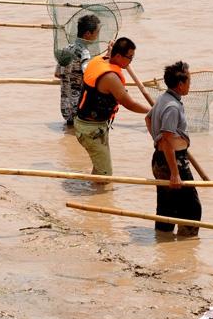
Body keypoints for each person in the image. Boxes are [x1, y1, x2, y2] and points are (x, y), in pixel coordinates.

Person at [73, 37, 150, 179]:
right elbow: (129, 104)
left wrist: (110, 50)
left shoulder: (99, 60)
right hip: (90, 130)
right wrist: (152, 111)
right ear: (118, 56)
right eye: (129, 58)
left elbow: (109, 55)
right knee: (105, 174)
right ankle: (96, 198)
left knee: (100, 165)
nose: (130, 62)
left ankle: (94, 189)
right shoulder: (110, 78)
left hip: (88, 124)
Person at [145, 61, 201, 236]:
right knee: (191, 209)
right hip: (173, 162)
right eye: (189, 82)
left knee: (167, 206)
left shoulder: (164, 98)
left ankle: (163, 243)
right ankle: (186, 248)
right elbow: (168, 140)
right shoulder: (172, 107)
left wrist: (157, 140)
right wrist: (175, 173)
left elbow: (148, 119)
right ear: (180, 84)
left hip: (160, 159)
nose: (190, 86)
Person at [56, 14, 101, 126]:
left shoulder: (66, 49)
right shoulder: (84, 52)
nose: (97, 36)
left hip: (66, 108)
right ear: (87, 34)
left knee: (70, 133)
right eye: (97, 32)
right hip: (79, 108)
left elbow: (57, 73)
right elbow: (88, 76)